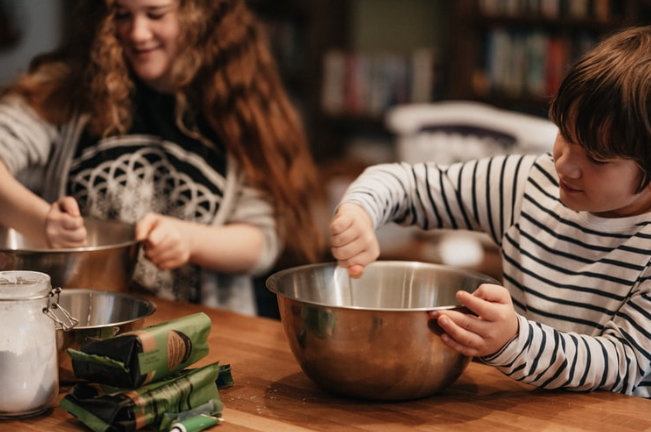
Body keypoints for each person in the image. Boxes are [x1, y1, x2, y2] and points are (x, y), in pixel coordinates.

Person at [330, 25, 651, 397]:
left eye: (596, 158)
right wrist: (360, 211)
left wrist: (514, 339)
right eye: (565, 133)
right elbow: (405, 183)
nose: (565, 165)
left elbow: (623, 363)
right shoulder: (526, 183)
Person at [0, 0, 324, 315]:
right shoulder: (68, 90)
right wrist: (43, 223)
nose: (137, 33)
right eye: (123, 15)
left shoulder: (239, 106)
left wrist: (189, 239)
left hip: (199, 334)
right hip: (74, 319)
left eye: (155, 14)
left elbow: (261, 243)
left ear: (199, 13)